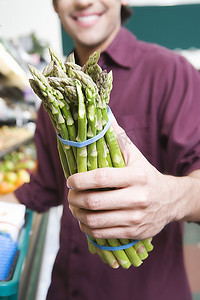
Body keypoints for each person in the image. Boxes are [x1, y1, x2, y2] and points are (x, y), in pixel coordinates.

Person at [1, 0, 200, 299]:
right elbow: (43, 189)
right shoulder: (55, 94)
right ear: (55, 4)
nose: (83, 1)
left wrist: (170, 199)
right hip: (66, 288)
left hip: (146, 291)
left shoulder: (171, 72)